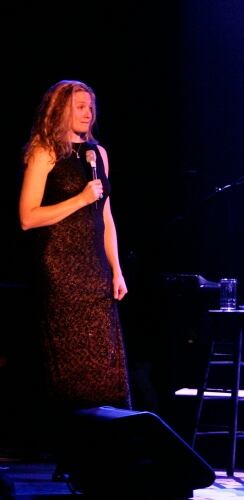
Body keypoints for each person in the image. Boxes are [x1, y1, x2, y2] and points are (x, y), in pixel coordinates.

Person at [18, 80, 131, 416]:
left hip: (96, 269)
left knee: (106, 363)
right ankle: (75, 444)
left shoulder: (98, 154)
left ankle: (113, 445)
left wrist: (116, 270)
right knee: (71, 365)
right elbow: (27, 218)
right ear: (61, 111)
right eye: (80, 106)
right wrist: (79, 199)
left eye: (90, 106)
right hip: (61, 268)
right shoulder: (45, 151)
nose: (88, 113)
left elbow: (106, 218)